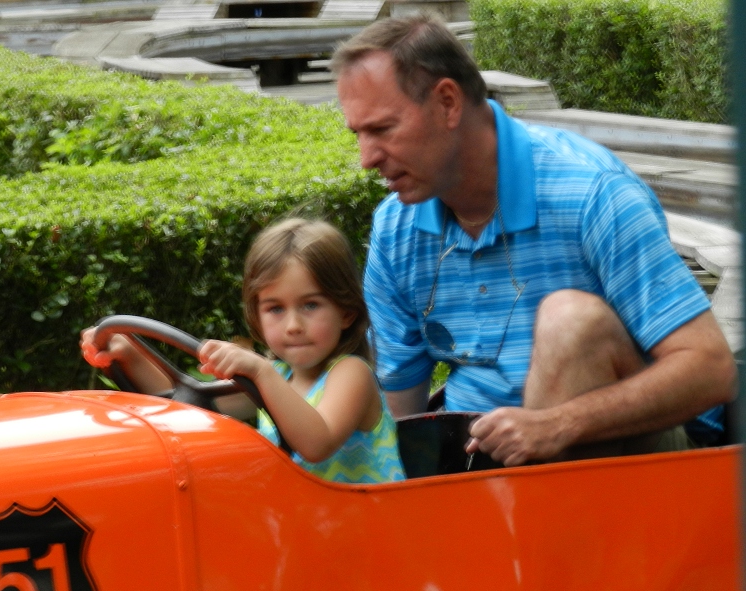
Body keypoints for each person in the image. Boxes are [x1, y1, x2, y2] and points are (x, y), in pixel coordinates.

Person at [330, 16, 737, 467]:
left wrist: (558, 423)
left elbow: (711, 370)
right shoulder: (396, 228)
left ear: (447, 102)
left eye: (383, 129)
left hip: (642, 468)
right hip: (481, 465)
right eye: (358, 135)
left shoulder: (592, 194)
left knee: (571, 322)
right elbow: (399, 412)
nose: (366, 159)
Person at [81, 219, 406, 483]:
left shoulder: (351, 374)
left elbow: (316, 443)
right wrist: (133, 356)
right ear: (257, 315)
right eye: (275, 309)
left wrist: (260, 370)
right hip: (307, 533)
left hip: (370, 537)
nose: (293, 324)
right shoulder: (278, 376)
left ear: (346, 312)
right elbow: (193, 406)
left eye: (310, 305)